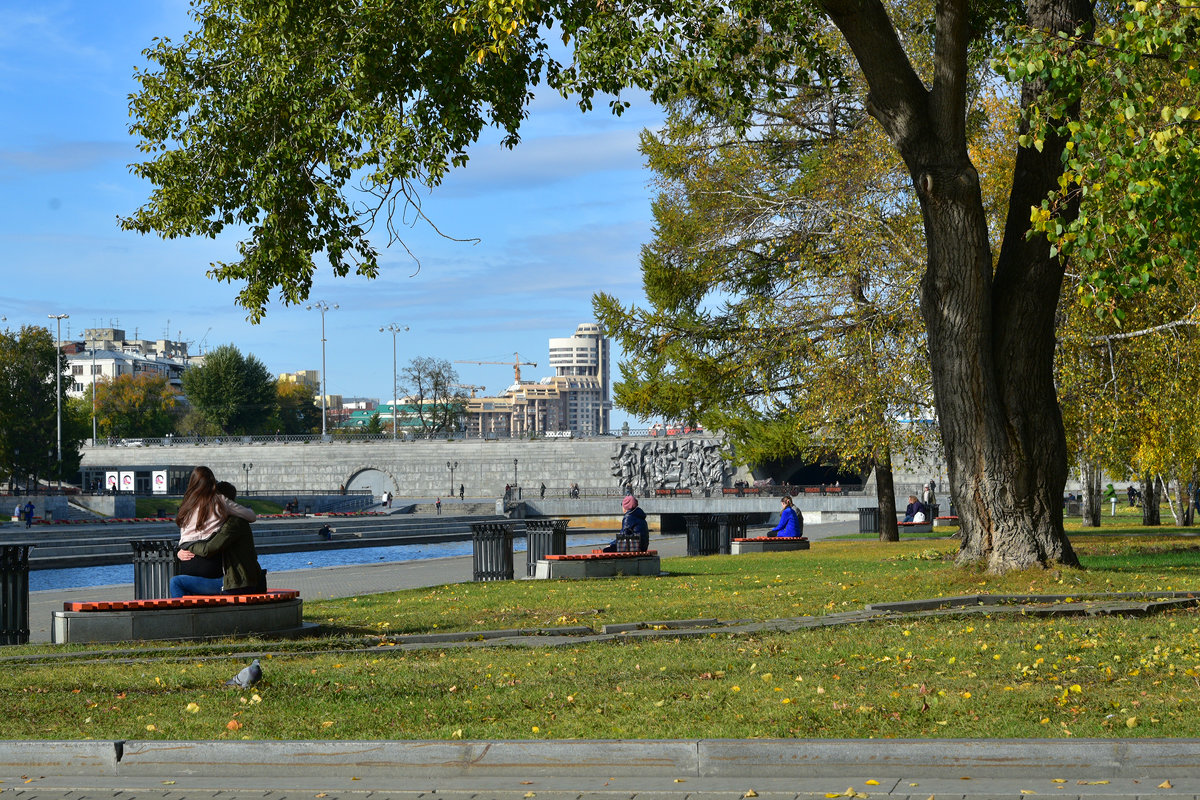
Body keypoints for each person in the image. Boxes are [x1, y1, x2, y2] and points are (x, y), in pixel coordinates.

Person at [171, 481, 267, 597]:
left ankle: (183, 615)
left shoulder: (234, 523)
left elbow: (208, 548)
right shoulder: (226, 521)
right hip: (233, 581)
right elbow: (203, 539)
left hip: (236, 583)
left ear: (223, 501)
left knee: (176, 582)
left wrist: (185, 544)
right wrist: (180, 552)